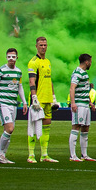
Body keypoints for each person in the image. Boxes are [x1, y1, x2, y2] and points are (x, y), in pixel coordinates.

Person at [0, 47, 25, 163]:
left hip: (13, 104)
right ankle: (0, 154)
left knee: (9, 130)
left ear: (17, 58)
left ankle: (3, 155)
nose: (11, 59)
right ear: (6, 57)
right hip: (3, 103)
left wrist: (24, 102)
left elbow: (20, 87)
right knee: (10, 128)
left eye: (13, 57)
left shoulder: (18, 72)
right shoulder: (0, 70)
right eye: (9, 57)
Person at [27, 35, 58, 163]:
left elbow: (49, 81)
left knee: (47, 127)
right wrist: (34, 97)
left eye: (45, 45)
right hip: (38, 100)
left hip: (47, 99)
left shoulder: (48, 62)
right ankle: (31, 155)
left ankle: (44, 155)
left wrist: (54, 98)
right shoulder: (33, 62)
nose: (43, 47)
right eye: (41, 45)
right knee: (34, 128)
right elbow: (31, 80)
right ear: (36, 46)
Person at [68, 53, 94, 162]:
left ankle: (84, 154)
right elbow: (72, 88)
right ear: (87, 62)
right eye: (90, 62)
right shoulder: (77, 73)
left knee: (85, 128)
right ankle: (73, 155)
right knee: (76, 126)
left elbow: (84, 89)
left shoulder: (84, 73)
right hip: (79, 104)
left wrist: (90, 102)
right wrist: (73, 103)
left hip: (85, 104)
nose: (91, 64)